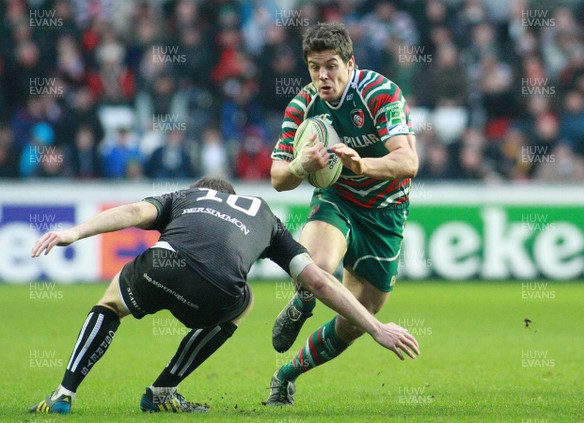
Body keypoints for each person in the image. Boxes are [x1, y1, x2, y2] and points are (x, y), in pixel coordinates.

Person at [29, 177, 419, 415]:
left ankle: (63, 394)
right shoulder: (265, 215)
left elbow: (133, 211)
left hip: (162, 266)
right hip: (215, 292)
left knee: (111, 304)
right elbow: (318, 281)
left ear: (202, 192)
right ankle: (163, 390)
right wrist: (374, 327)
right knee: (245, 299)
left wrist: (74, 233)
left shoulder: (186, 196)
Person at [268, 22, 419, 405]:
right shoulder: (302, 106)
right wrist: (301, 165)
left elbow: (408, 160)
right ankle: (304, 298)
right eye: (315, 67)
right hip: (337, 198)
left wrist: (362, 164)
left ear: (350, 63)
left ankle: (287, 374)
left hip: (385, 212)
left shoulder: (380, 93)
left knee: (355, 320)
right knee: (314, 266)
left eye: (331, 65)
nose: (323, 75)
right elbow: (277, 178)